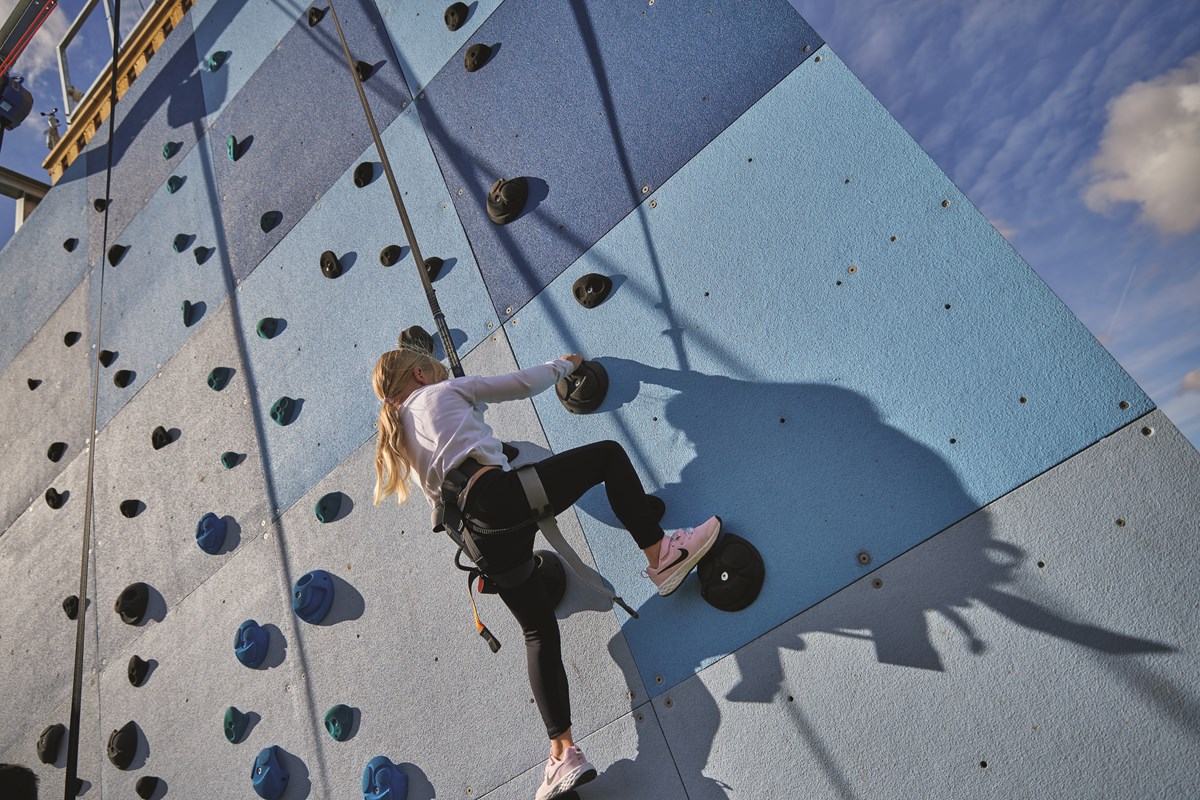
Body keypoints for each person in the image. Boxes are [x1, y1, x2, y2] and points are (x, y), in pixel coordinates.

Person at [371, 343, 721, 799]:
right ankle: (661, 555)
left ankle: (562, 753)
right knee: (607, 456)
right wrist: (565, 366)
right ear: (420, 376)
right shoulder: (442, 393)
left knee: (537, 632)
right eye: (435, 374)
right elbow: (520, 384)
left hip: (479, 544)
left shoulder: (404, 443)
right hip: (502, 499)